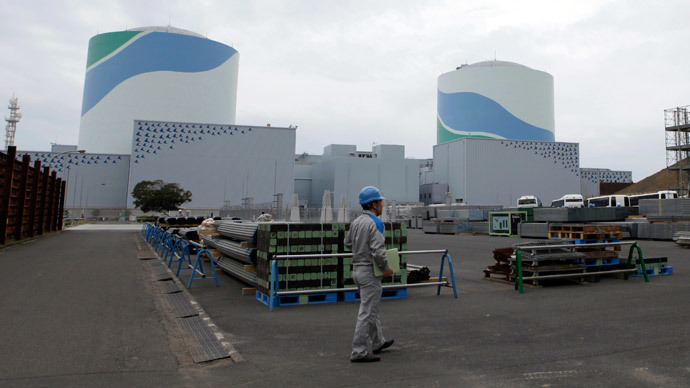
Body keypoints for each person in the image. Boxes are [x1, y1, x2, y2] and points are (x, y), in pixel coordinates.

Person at [346, 186, 395, 363]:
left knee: (370, 307)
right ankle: (358, 351)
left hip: (357, 270)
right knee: (367, 311)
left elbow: (347, 243)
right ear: (374, 204)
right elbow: (378, 251)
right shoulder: (376, 223)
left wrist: (361, 250)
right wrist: (386, 268)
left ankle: (378, 342)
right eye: (381, 202)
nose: (382, 206)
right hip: (369, 272)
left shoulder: (356, 222)